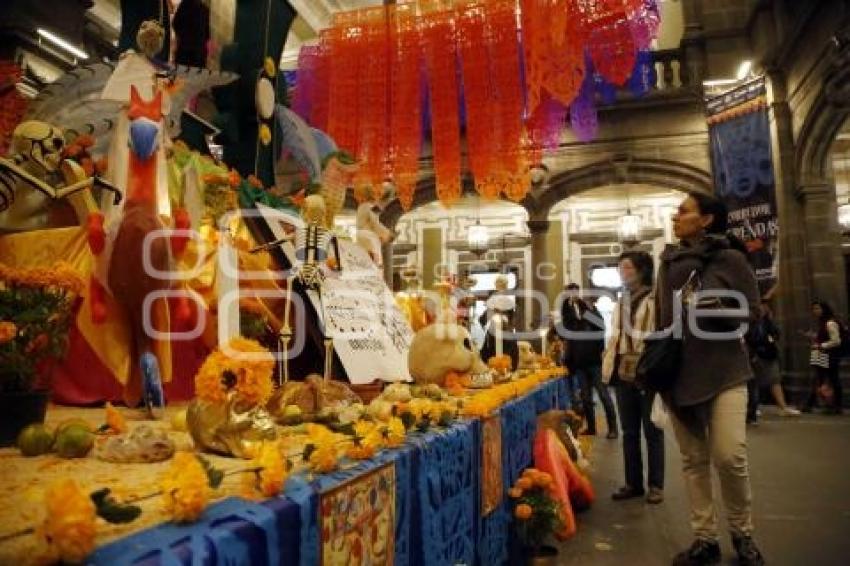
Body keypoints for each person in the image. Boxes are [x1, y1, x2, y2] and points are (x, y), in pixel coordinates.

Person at [659, 194, 764, 566]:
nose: (677, 216)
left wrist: (717, 307)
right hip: (679, 373)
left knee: (730, 455)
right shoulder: (669, 262)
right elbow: (662, 316)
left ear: (706, 220)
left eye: (684, 211)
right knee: (693, 460)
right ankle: (705, 538)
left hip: (725, 370)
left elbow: (753, 311)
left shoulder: (731, 259)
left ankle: (743, 534)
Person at [602, 251, 664, 504]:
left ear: (642, 270)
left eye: (626, 267)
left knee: (652, 429)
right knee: (629, 431)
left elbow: (661, 333)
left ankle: (656, 485)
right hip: (623, 371)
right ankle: (633, 482)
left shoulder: (656, 298)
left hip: (647, 370)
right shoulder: (621, 300)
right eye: (620, 268)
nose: (621, 272)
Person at [562, 283, 618, 438]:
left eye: (574, 292)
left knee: (603, 395)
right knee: (586, 398)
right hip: (579, 363)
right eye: (568, 293)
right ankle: (591, 428)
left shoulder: (590, 309)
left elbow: (601, 326)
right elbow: (566, 331)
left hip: (594, 362)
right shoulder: (568, 313)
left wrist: (584, 307)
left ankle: (613, 428)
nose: (572, 295)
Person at [745, 300, 800, 422]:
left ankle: (782, 407)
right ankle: (753, 408)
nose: (763, 309)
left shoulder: (768, 322)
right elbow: (750, 338)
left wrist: (771, 339)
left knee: (774, 380)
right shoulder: (751, 322)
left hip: (769, 354)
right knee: (753, 383)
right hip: (756, 354)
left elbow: (776, 334)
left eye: (765, 306)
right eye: (761, 306)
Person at [802, 301, 844, 414]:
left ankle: (836, 405)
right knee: (819, 379)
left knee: (832, 379)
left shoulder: (830, 323)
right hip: (821, 354)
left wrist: (821, 345)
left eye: (817, 308)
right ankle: (813, 403)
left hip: (829, 355)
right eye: (814, 309)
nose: (815, 311)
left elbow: (836, 341)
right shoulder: (823, 323)